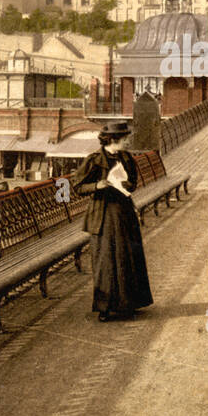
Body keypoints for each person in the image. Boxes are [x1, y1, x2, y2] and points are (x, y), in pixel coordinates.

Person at [71, 120, 153, 321]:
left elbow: (133, 182)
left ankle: (128, 304)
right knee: (106, 260)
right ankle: (104, 307)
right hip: (104, 214)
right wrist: (97, 186)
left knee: (128, 257)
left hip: (124, 212)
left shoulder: (126, 157)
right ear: (113, 140)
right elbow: (77, 186)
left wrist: (127, 184)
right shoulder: (94, 159)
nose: (128, 142)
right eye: (125, 139)